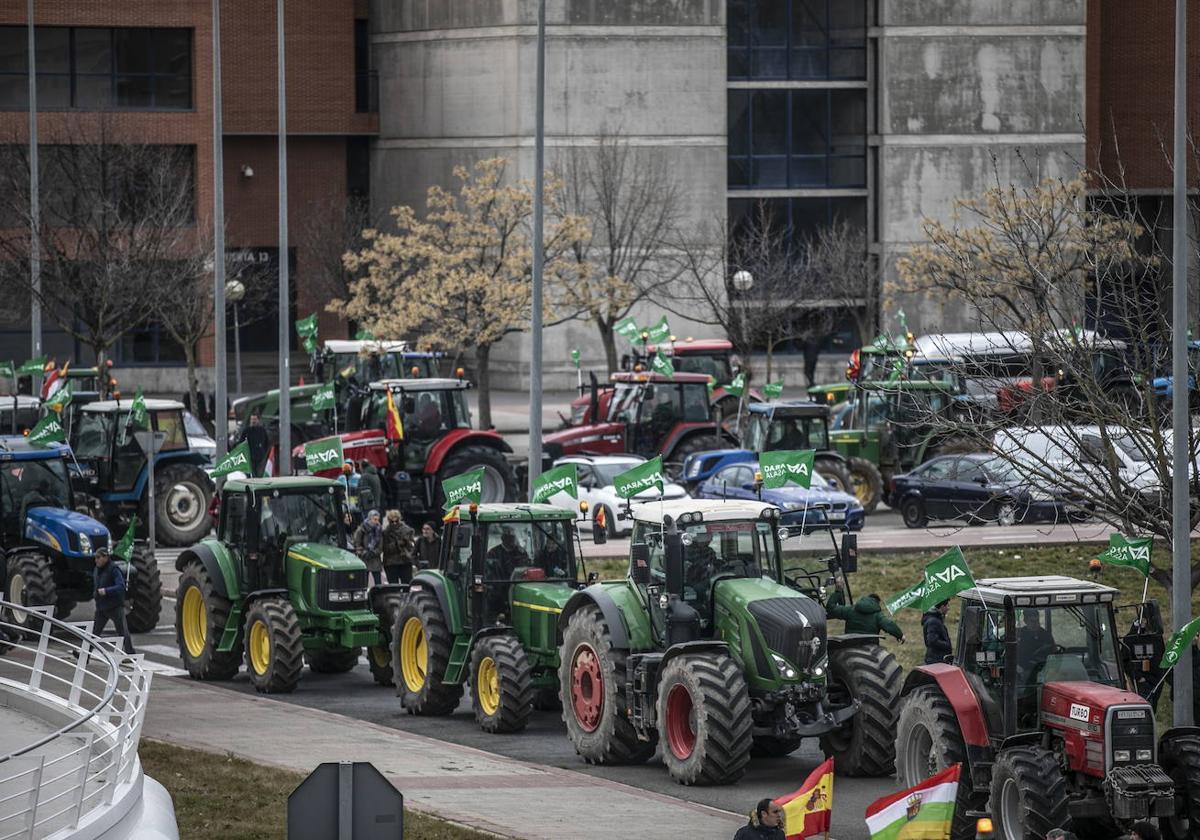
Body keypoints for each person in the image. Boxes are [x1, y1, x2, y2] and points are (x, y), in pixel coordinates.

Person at [826, 580, 905, 643]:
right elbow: (889, 625)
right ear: (877, 602)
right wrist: (900, 635)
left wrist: (838, 592)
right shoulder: (877, 615)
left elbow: (831, 609)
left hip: (849, 644)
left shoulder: (851, 610)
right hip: (870, 645)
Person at [92, 547, 134, 654]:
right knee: (94, 633)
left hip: (114, 607)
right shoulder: (97, 570)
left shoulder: (113, 569)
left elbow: (121, 586)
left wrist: (106, 591)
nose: (96, 560)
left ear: (106, 557)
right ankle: (85, 654)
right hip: (101, 607)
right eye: (95, 558)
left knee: (123, 632)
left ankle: (131, 655)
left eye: (98, 557)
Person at [382, 510, 415, 583]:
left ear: (399, 519)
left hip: (405, 561)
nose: (394, 523)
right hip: (391, 562)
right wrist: (397, 544)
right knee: (393, 587)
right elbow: (385, 548)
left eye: (396, 521)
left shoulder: (407, 530)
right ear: (389, 521)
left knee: (407, 585)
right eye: (392, 521)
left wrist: (407, 543)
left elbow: (412, 546)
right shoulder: (386, 532)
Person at [352, 510, 384, 585]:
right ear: (369, 519)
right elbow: (357, 543)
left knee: (378, 582)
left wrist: (374, 552)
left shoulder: (379, 530)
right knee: (364, 582)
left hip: (375, 558)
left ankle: (378, 595)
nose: (376, 521)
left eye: (377, 519)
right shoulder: (361, 529)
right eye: (374, 519)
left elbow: (380, 546)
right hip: (364, 558)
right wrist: (363, 552)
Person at [237, 412, 270, 477]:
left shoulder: (262, 430)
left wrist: (263, 452)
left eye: (254, 419)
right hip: (249, 457)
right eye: (252, 419)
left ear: (258, 420)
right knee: (251, 474)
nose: (253, 421)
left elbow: (267, 443)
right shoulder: (247, 431)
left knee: (259, 474)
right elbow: (241, 442)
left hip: (260, 457)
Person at [923, 599, 953, 665]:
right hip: (936, 660)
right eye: (947, 606)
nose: (948, 608)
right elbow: (932, 640)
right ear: (942, 606)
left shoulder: (936, 620)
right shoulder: (934, 621)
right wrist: (947, 645)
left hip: (936, 659)